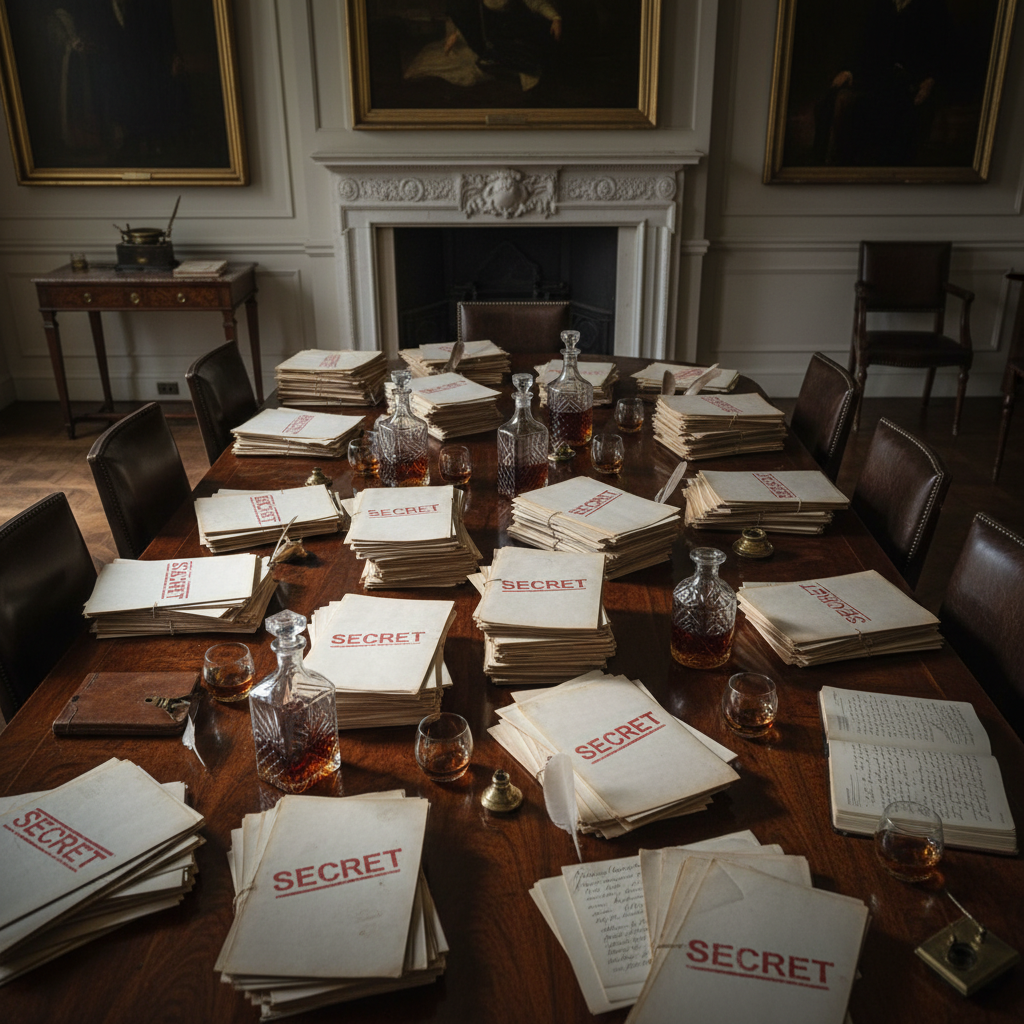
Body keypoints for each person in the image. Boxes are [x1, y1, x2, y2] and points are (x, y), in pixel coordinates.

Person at [814, 0, 949, 166]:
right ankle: (828, 168)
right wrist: (849, 71)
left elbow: (943, 53)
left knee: (888, 113)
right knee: (832, 99)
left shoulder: (933, 7)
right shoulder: (881, 6)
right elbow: (864, 45)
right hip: (877, 77)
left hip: (912, 82)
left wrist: (931, 80)